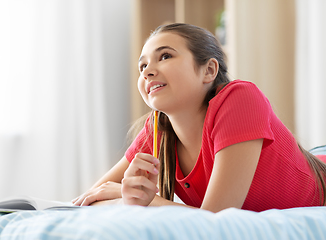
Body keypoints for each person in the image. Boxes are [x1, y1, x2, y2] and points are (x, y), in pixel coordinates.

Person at [72, 23, 326, 212]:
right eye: (142, 66)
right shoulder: (158, 129)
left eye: (165, 56)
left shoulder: (240, 98)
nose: (148, 71)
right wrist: (124, 195)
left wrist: (149, 202)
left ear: (209, 70)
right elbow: (95, 196)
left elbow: (215, 219)